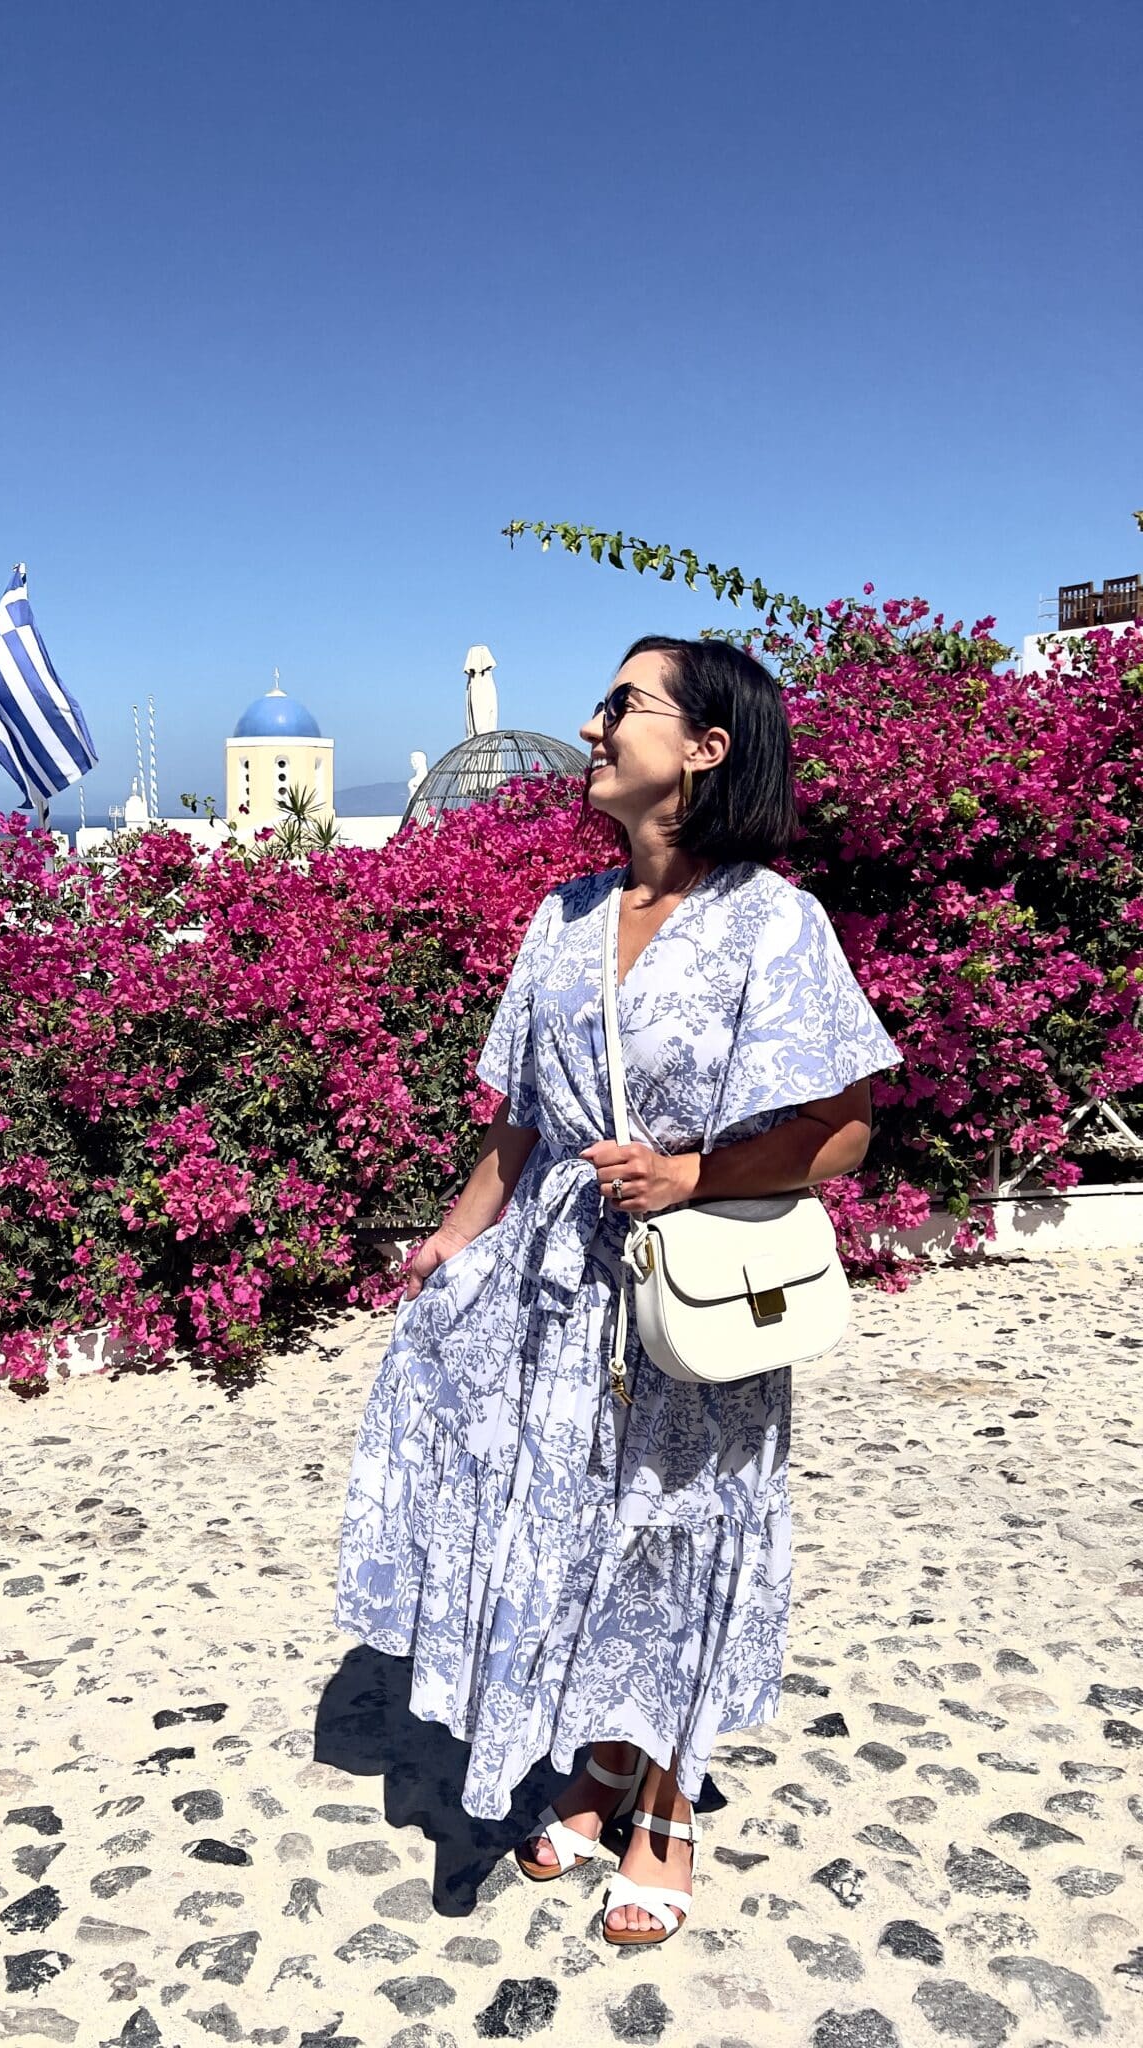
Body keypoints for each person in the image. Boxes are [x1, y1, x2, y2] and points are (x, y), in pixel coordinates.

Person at [336, 634, 900, 1945]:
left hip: (686, 1293)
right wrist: (447, 1242)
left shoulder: (773, 922)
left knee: (677, 1524)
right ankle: (599, 1760)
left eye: (623, 706)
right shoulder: (563, 918)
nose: (594, 726)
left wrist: (694, 1170)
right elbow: (520, 1128)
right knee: (570, 1528)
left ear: (705, 748)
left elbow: (847, 1129)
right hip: (550, 1292)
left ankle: (667, 1802)